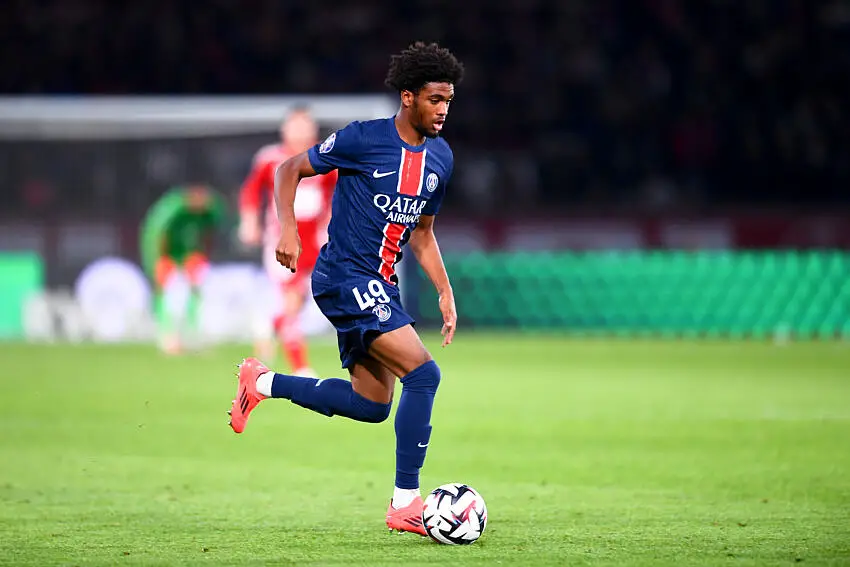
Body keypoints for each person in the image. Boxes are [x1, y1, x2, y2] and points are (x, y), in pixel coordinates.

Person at [228, 41, 464, 535]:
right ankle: (406, 502)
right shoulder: (363, 139)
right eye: (434, 99)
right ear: (407, 97)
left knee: (372, 405)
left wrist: (443, 289)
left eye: (449, 100)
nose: (443, 110)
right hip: (345, 279)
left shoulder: (440, 159)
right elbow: (288, 168)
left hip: (379, 286)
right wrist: (288, 230)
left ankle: (263, 382)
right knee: (423, 377)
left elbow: (422, 233)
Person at [238, 107, 336, 376]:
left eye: (305, 125)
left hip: (317, 246)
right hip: (282, 243)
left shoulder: (325, 160)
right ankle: (301, 368)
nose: (300, 131)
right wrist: (249, 222)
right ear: (284, 129)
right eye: (295, 125)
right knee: (292, 299)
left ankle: (268, 325)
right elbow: (250, 192)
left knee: (302, 301)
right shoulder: (270, 159)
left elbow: (339, 193)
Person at [139, 185, 225, 354]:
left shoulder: (206, 212)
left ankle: (193, 331)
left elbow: (210, 229)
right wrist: (158, 260)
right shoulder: (173, 210)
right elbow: (157, 234)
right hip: (167, 254)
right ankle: (167, 335)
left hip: (189, 253)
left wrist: (204, 254)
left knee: (198, 288)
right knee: (164, 292)